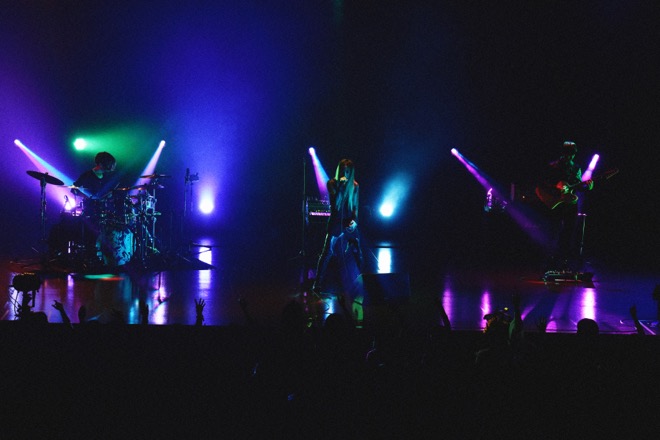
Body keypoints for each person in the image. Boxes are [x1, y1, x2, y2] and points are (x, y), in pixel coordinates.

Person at [536, 141, 593, 270]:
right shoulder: (553, 166)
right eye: (568, 153)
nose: (570, 156)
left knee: (569, 233)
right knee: (553, 231)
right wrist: (556, 186)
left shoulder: (576, 168)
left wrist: (588, 187)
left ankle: (564, 261)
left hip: (570, 204)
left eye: (572, 154)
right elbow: (542, 184)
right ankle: (549, 260)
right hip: (556, 202)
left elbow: (578, 186)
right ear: (563, 153)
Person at [312, 159, 363, 295]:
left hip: (349, 222)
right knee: (327, 252)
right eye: (342, 171)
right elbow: (336, 205)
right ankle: (317, 284)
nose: (344, 174)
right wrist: (341, 187)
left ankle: (361, 282)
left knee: (357, 250)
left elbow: (355, 207)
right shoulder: (331, 184)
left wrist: (354, 221)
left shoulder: (355, 186)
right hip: (335, 221)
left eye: (347, 171)